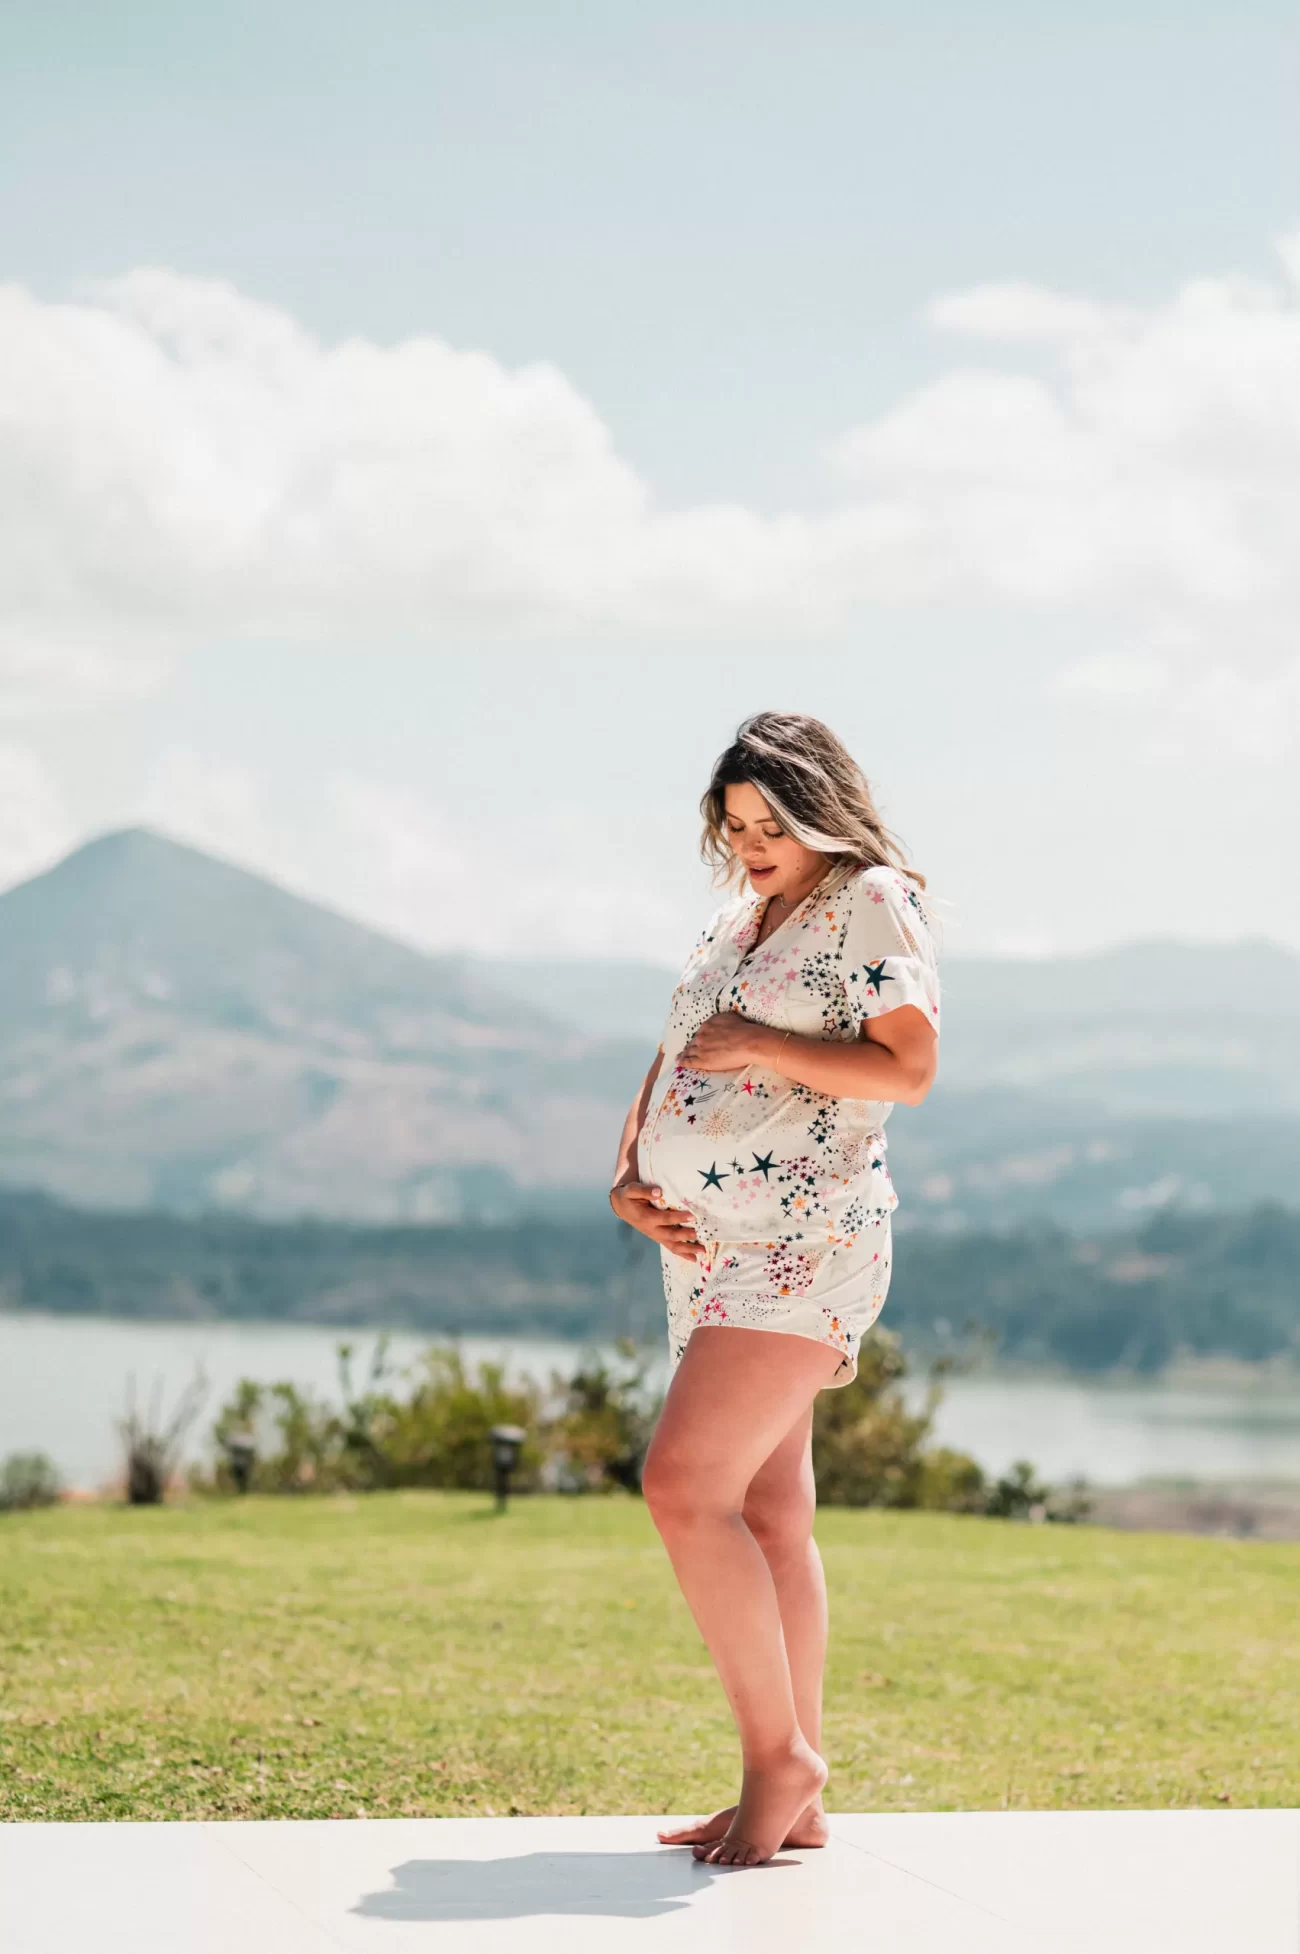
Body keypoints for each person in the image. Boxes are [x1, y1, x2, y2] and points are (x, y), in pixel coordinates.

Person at [609, 711, 940, 1869]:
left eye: (770, 823)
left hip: (805, 1244)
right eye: (734, 825)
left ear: (821, 811)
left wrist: (761, 1043)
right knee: (769, 1515)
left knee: (679, 1484)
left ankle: (779, 1757)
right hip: (705, 1249)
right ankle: (791, 1793)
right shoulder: (733, 919)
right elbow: (671, 1050)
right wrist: (627, 1174)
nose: (750, 844)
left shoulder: (872, 897)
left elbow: (908, 1066)